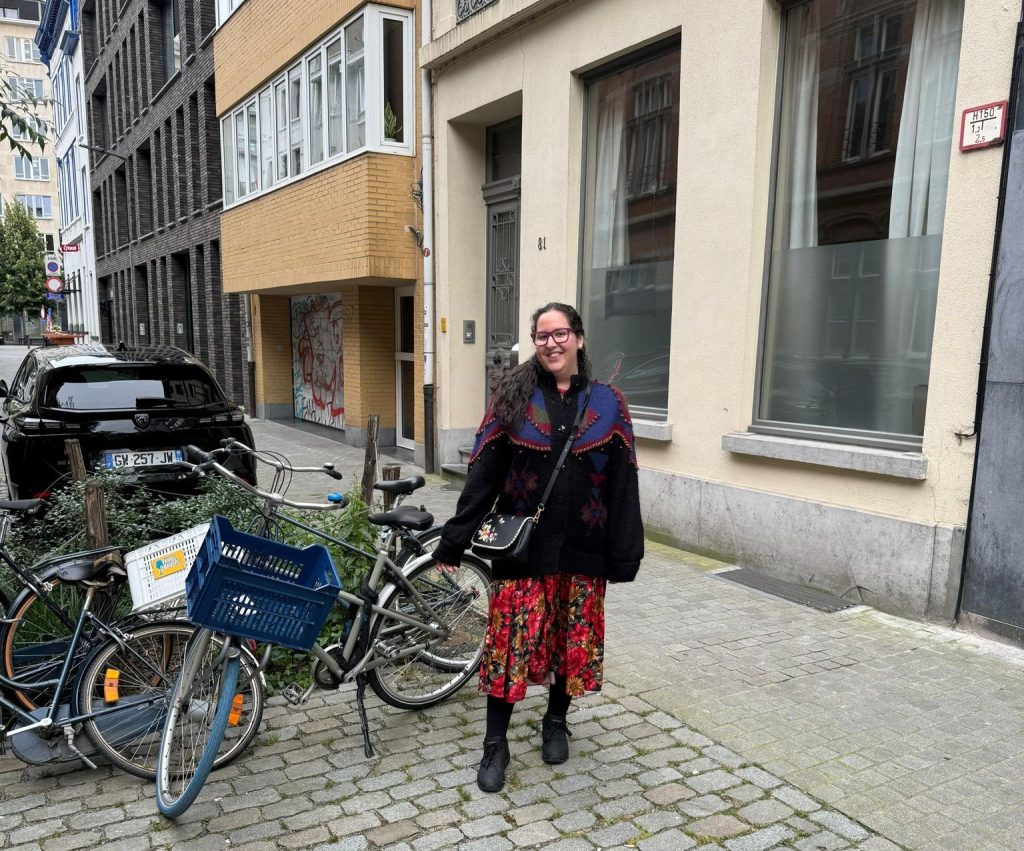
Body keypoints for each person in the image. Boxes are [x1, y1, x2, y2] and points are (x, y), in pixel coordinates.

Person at [433, 302, 644, 793]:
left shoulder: (608, 402)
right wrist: (454, 540)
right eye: (542, 335)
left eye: (560, 333)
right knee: (508, 647)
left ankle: (555, 721)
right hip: (523, 554)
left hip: (584, 550)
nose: (551, 343)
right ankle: (495, 744)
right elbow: (483, 475)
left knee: (570, 642)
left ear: (579, 338)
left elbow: (624, 483)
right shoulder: (513, 399)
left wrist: (625, 551)